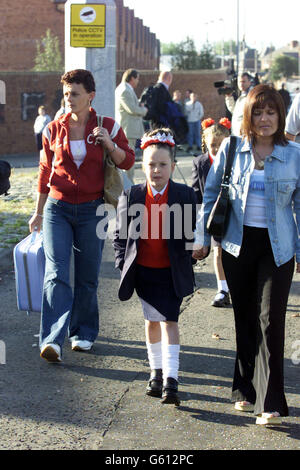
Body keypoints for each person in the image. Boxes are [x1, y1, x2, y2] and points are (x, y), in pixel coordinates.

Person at [193, 84, 300, 426]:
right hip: (238, 246)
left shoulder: (294, 154)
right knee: (244, 320)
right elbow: (210, 195)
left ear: (281, 116)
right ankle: (244, 388)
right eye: (258, 112)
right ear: (248, 116)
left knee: (271, 321)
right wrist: (204, 239)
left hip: (278, 247)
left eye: (271, 112)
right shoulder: (232, 148)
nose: (265, 119)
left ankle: (270, 401)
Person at [29, 69, 134, 363]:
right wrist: (38, 212)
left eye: (74, 94)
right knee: (56, 274)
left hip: (93, 210)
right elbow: (44, 173)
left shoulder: (108, 126)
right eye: (65, 94)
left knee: (88, 277)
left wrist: (109, 144)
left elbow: (128, 161)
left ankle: (83, 332)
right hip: (57, 209)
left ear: (90, 96)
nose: (69, 99)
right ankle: (51, 340)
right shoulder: (53, 128)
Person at [113, 128, 197, 406]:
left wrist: (193, 251)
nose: (157, 170)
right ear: (142, 165)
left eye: (162, 165)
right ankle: (156, 372)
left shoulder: (184, 194)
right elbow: (121, 236)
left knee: (170, 321)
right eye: (151, 164)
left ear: (173, 166)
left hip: (171, 272)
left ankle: (172, 379)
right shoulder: (132, 195)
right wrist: (121, 263)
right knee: (150, 321)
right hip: (145, 272)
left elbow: (191, 234)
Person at [191, 117, 231, 307]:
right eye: (213, 145)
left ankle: (238, 287)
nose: (217, 149)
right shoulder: (201, 163)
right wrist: (197, 226)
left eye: (221, 144)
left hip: (234, 212)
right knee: (218, 252)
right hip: (214, 216)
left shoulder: (234, 160)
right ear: (205, 144)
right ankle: (222, 289)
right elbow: (196, 193)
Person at [115, 69, 148, 182]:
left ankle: (128, 184)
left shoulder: (126, 89)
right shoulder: (124, 90)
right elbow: (132, 109)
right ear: (132, 78)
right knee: (128, 161)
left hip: (130, 130)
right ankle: (128, 185)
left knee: (129, 160)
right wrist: (143, 110)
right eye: (137, 78)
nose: (138, 81)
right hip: (127, 131)